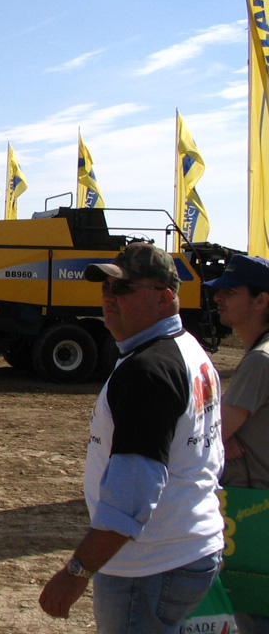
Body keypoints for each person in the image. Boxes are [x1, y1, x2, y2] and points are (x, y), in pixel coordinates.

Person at [39, 243, 224, 632]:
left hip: (150, 566)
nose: (109, 297)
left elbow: (132, 494)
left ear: (164, 298)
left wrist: (76, 571)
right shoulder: (188, 351)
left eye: (122, 288)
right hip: (187, 549)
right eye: (105, 287)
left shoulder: (148, 372)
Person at [203, 254, 269, 634]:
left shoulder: (260, 361)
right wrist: (223, 439)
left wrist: (220, 439)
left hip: (256, 513)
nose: (219, 298)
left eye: (230, 291)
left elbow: (208, 438)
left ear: (261, 301)